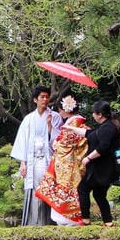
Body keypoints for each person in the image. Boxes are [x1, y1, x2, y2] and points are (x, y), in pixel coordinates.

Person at [10, 85, 62, 225]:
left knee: (49, 188)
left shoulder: (55, 117)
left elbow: (59, 142)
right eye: (42, 97)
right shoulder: (29, 119)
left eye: (47, 97)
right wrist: (23, 162)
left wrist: (50, 125)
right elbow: (23, 142)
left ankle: (49, 222)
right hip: (33, 160)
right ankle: (33, 222)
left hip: (48, 160)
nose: (45, 100)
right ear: (35, 100)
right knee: (34, 190)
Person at [35, 95, 88, 225]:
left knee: (65, 187)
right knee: (71, 188)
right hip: (71, 163)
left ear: (66, 109)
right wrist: (50, 126)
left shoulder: (74, 123)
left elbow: (64, 143)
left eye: (60, 110)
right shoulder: (77, 122)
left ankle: (68, 218)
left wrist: (56, 144)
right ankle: (71, 217)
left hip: (68, 164)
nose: (60, 113)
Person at [76, 100, 120, 226]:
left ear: (100, 114)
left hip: (102, 168)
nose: (92, 115)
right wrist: (71, 128)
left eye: (94, 113)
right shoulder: (105, 126)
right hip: (101, 168)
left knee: (83, 188)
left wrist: (88, 158)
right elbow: (90, 134)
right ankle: (108, 222)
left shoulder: (107, 128)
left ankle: (85, 219)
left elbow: (103, 147)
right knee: (99, 194)